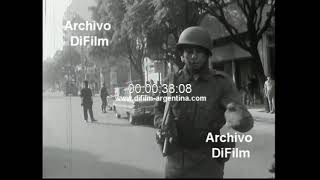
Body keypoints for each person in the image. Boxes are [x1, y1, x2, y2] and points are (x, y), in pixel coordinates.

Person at [154, 26, 254, 178]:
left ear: (207, 55)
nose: (194, 56)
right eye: (189, 51)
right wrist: (163, 124)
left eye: (199, 52)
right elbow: (158, 110)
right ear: (182, 55)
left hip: (208, 163)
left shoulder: (222, 83)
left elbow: (242, 118)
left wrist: (240, 119)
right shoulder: (170, 82)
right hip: (176, 162)